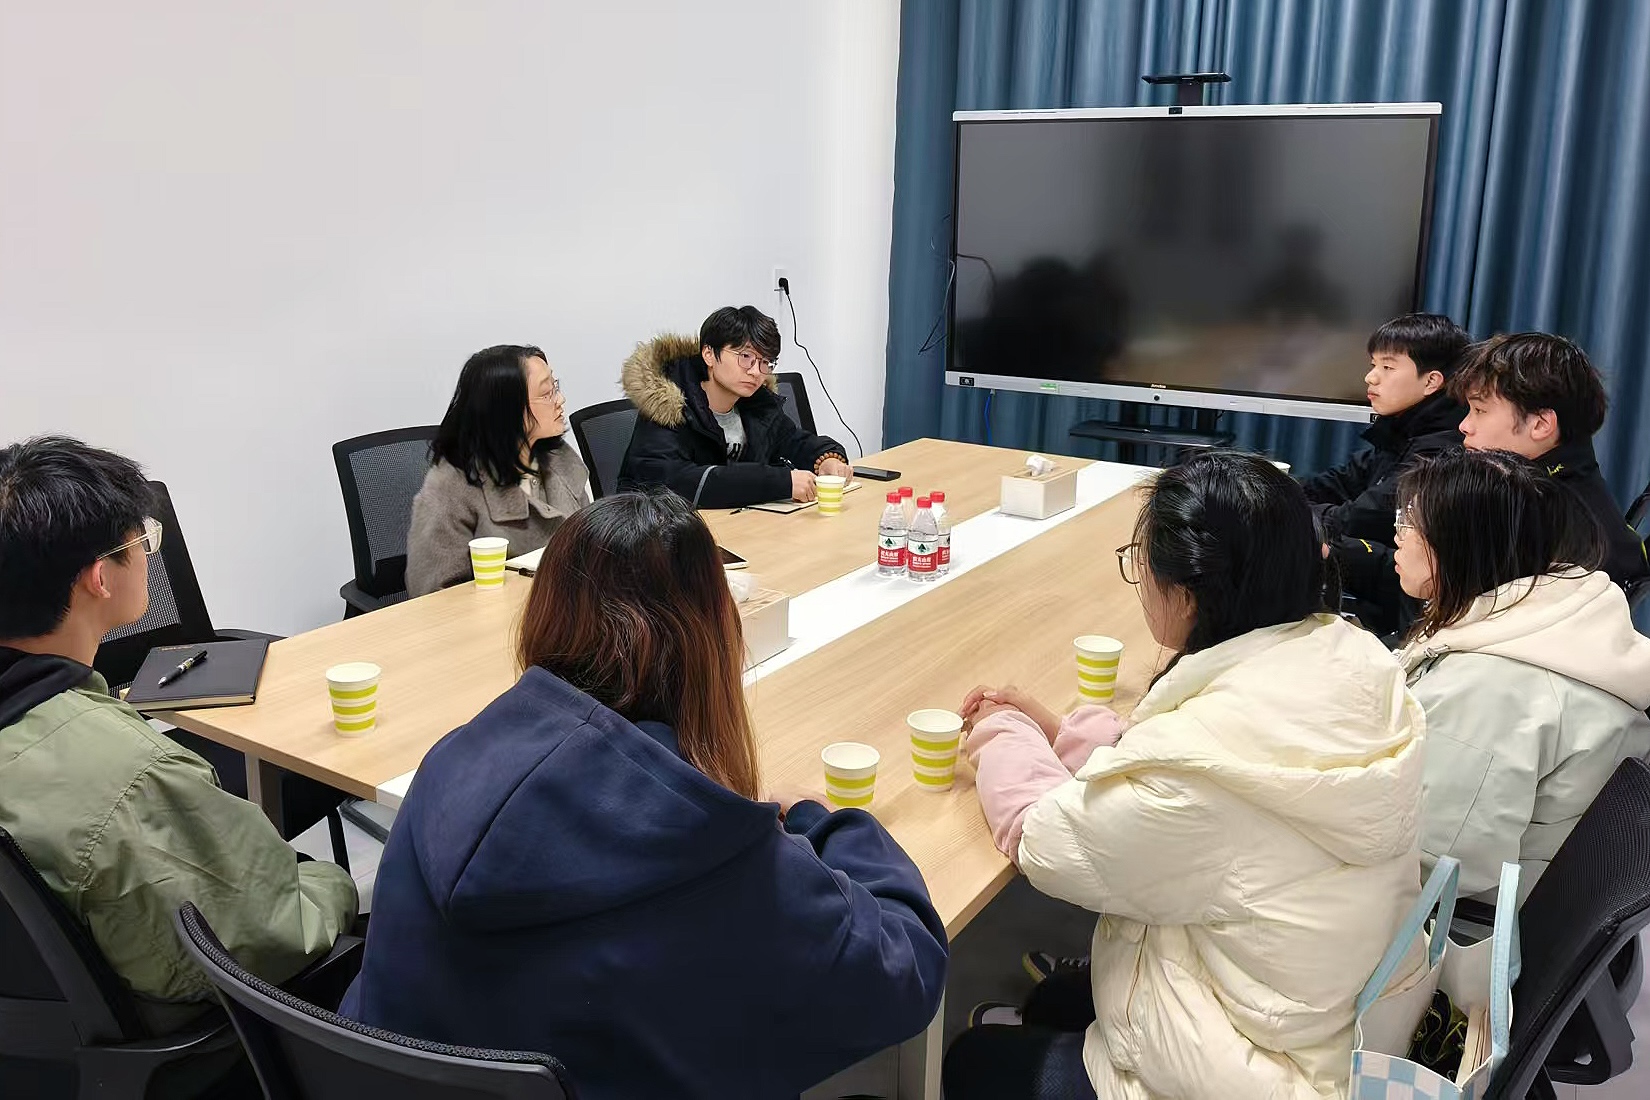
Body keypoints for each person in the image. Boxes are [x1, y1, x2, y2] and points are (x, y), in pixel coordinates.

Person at [341, 490, 947, 1098]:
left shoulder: (449, 762)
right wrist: (825, 820)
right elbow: (908, 970)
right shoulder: (720, 851)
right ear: (714, 637)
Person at [944, 452, 1425, 1100]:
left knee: (972, 1061)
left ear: (1189, 593)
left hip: (1261, 1072)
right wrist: (1061, 732)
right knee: (1058, 998)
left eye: (1140, 562)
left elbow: (1046, 841)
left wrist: (1005, 731)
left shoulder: (1199, 767)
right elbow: (1180, 773)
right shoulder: (1348, 657)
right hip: (1327, 1019)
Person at [0, 437, 357, 1026]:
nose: (148, 554)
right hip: (192, 1039)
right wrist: (337, 882)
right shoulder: (133, 778)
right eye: (141, 541)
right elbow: (271, 939)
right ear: (99, 578)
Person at [1393, 448, 1650, 902]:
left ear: (1460, 541)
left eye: (1410, 521)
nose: (1398, 536)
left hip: (1471, 922)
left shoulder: (1491, 687)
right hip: (1545, 891)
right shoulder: (1555, 618)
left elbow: (1435, 863)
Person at [1300, 312, 1471, 636]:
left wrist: (1284, 511)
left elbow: (1359, 519)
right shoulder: (1401, 430)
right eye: (1373, 365)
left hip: (1405, 616)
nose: (1371, 377)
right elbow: (1338, 481)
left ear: (1431, 381)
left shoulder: (1442, 449)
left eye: (1388, 367)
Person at [1452, 331, 1650, 590]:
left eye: (1480, 410)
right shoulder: (1576, 481)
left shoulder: (1537, 528)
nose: (1464, 425)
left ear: (1541, 424)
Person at [617, 305, 853, 508]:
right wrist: (779, 482)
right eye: (745, 357)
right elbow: (671, 482)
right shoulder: (668, 407)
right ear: (709, 354)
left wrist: (827, 459)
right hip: (666, 533)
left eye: (765, 362)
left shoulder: (757, 405)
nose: (756, 372)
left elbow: (795, 441)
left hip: (743, 524)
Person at [406, 344, 590, 596]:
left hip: (567, 606)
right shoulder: (451, 485)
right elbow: (432, 593)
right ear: (507, 410)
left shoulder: (559, 459)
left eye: (555, 387)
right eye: (546, 393)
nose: (560, 400)